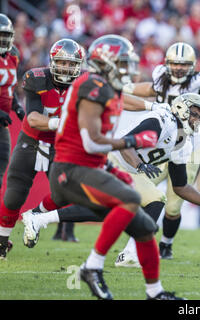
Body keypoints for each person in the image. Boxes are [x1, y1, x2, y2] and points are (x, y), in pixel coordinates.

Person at [22, 93, 200, 269]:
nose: (197, 120)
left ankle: (39, 219)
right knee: (155, 199)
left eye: (199, 117)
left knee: (105, 210)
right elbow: (125, 144)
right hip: (113, 158)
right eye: (195, 114)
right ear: (182, 108)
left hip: (127, 168)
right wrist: (140, 166)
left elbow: (180, 186)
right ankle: (129, 254)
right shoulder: (163, 121)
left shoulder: (184, 143)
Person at [46, 34, 182, 300]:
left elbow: (131, 96)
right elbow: (91, 142)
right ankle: (92, 266)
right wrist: (132, 140)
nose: (126, 69)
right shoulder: (91, 85)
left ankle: (155, 293)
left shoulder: (108, 88)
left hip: (92, 167)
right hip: (70, 168)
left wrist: (154, 104)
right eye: (121, 63)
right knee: (131, 198)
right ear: (104, 63)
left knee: (144, 227)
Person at [117, 42, 200, 260]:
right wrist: (118, 87)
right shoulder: (161, 81)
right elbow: (138, 90)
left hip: (187, 148)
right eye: (175, 63)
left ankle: (166, 245)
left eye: (184, 64)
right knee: (141, 193)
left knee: (173, 205)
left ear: (193, 65)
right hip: (161, 145)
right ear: (167, 64)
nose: (179, 68)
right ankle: (138, 238)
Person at [0, 39, 84, 257]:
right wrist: (60, 122)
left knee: (65, 193)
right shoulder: (37, 78)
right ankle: (1, 242)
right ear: (52, 62)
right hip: (31, 141)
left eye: (70, 64)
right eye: (61, 62)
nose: (65, 68)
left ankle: (36, 215)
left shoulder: (84, 84)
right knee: (14, 195)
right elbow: (34, 118)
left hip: (60, 146)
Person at [0, 14, 27, 258]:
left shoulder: (14, 55)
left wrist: (17, 106)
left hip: (2, 126)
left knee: (0, 178)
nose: (2, 40)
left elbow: (10, 88)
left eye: (5, 35)